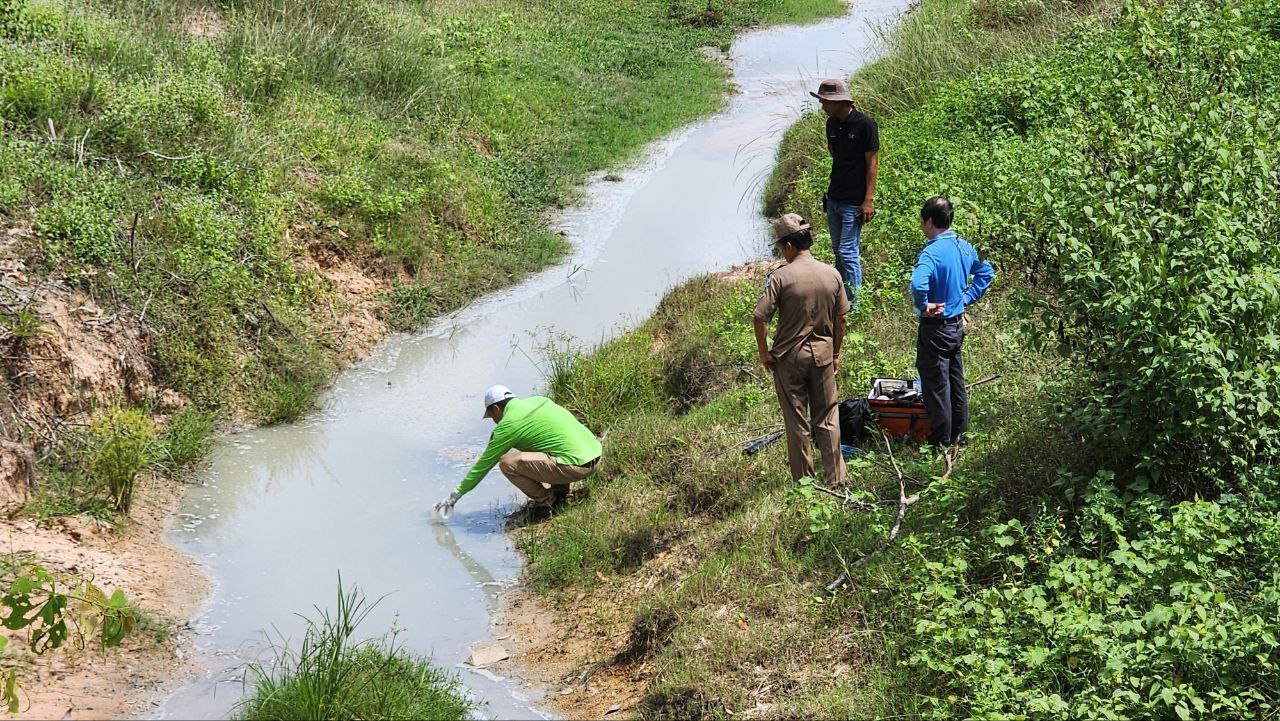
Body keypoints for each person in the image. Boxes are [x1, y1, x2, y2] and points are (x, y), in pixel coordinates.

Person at [753, 213, 849, 484]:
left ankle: (804, 482)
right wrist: (835, 355)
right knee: (828, 416)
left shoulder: (781, 277)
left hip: (789, 359)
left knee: (797, 422)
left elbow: (759, 316)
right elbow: (841, 320)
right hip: (822, 355)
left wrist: (764, 352)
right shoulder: (832, 274)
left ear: (789, 247)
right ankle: (836, 478)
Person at [434, 385, 602, 518]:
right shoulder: (539, 400)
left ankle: (546, 504)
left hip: (576, 467)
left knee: (508, 463)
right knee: (545, 444)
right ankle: (561, 493)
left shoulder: (508, 425)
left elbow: (482, 466)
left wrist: (454, 496)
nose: (493, 421)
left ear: (496, 409)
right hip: (596, 455)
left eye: (491, 416)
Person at [910, 197, 995, 449]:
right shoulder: (964, 246)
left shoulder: (932, 252)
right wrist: (966, 298)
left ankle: (941, 443)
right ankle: (960, 435)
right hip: (957, 326)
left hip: (935, 327)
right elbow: (986, 273)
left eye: (922, 221)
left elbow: (917, 284)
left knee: (936, 385)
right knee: (955, 380)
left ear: (928, 221)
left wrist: (925, 305)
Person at [811, 77, 879, 305]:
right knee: (838, 251)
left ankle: (856, 303)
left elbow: (872, 164)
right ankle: (841, 298)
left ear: (840, 101)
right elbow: (835, 155)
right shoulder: (831, 124)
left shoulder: (865, 125)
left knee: (848, 251)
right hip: (834, 198)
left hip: (854, 202)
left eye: (826, 102)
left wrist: (868, 200)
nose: (823, 106)